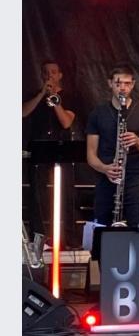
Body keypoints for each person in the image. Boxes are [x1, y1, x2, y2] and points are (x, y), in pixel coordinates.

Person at [86, 64, 139, 227]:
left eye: (127, 84)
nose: (123, 88)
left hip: (136, 180)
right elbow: (91, 154)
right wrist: (105, 168)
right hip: (107, 178)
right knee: (101, 233)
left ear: (133, 85)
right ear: (110, 84)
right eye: (118, 84)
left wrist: (137, 141)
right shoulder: (98, 113)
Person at [22, 60, 79, 247]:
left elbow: (66, 122)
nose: (50, 76)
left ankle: (67, 237)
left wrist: (55, 98)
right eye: (46, 72)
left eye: (53, 72)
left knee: (65, 192)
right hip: (38, 147)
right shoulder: (33, 96)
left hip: (60, 147)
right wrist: (41, 95)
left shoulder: (69, 96)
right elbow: (22, 113)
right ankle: (39, 236)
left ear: (60, 75)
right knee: (37, 193)